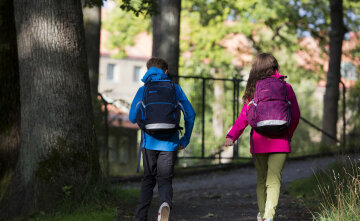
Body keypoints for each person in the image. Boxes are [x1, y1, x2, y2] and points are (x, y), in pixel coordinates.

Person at [224, 53, 300, 221]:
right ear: (275, 67)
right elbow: (295, 115)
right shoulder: (285, 87)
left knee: (262, 179)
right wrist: (288, 135)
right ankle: (269, 217)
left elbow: (244, 117)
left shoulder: (253, 89)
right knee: (274, 180)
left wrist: (232, 136)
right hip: (281, 141)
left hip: (259, 141)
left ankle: (263, 214)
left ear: (255, 69)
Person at [129, 57, 196, 221]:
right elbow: (190, 115)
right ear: (165, 72)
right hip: (170, 142)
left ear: (148, 71)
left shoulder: (143, 90)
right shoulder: (175, 89)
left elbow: (131, 118)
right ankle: (164, 204)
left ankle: (140, 217)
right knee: (165, 180)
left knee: (148, 179)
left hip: (148, 143)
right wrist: (185, 139)